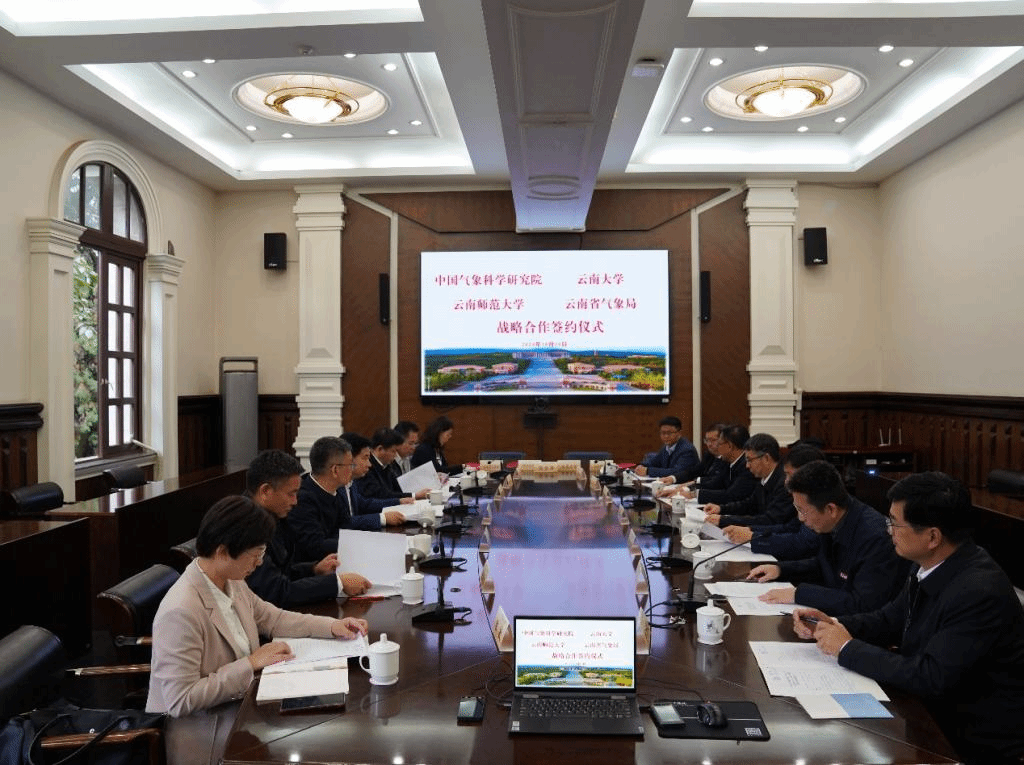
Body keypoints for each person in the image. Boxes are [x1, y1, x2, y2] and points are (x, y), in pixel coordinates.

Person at [792, 472, 1024, 765]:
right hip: (930, 714)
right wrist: (834, 624)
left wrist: (846, 648)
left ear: (932, 537)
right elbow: (891, 619)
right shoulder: (928, 564)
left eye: (894, 523)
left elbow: (931, 677)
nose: (888, 530)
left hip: (970, 740)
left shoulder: (978, 591)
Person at [147, 495, 369, 765]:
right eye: (255, 555)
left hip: (248, 705)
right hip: (208, 730)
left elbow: (272, 618)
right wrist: (250, 663)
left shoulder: (230, 580)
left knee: (323, 728)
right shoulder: (180, 611)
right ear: (223, 552)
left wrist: (332, 626)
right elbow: (180, 699)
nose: (259, 563)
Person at [749, 460, 908, 614]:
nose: (800, 518)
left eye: (803, 511)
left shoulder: (874, 538)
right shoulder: (835, 520)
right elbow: (824, 566)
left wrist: (799, 594)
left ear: (830, 509)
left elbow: (861, 603)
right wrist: (780, 569)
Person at [243, 449, 370, 607]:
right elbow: (275, 591)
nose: (295, 501)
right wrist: (337, 583)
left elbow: (282, 571)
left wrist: (314, 569)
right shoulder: (245, 527)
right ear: (265, 491)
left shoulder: (271, 515)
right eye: (291, 494)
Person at [290, 436, 406, 560]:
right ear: (335, 470)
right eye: (350, 465)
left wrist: (376, 540)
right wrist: (364, 543)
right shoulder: (303, 498)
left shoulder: (334, 490)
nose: (352, 469)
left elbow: (346, 525)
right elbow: (316, 545)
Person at [721, 445, 824, 559]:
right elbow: (790, 528)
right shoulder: (805, 496)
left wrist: (753, 537)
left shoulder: (821, 502)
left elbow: (803, 543)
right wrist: (750, 530)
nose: (786, 481)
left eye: (789, 475)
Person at [704, 433, 792, 529]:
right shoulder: (764, 477)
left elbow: (769, 520)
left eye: (750, 460)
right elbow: (750, 504)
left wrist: (724, 520)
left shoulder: (785, 483)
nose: (747, 465)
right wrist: (721, 509)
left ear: (766, 458)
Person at [358, 428, 430, 501]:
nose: (395, 455)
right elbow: (381, 494)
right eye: (393, 451)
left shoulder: (388, 465)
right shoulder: (367, 467)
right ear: (380, 449)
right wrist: (414, 495)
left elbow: (398, 487)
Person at [657, 423, 727, 488]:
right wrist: (673, 478)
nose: (709, 444)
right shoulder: (709, 455)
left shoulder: (727, 459)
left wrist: (691, 485)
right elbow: (694, 471)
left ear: (723, 440)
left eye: (713, 440)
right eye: (707, 440)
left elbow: (715, 481)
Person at [633, 416, 699, 479]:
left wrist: (648, 471)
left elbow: (677, 472)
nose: (666, 436)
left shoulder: (687, 450)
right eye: (663, 433)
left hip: (686, 484)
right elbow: (655, 462)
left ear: (679, 433)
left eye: (669, 433)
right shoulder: (665, 447)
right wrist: (642, 466)